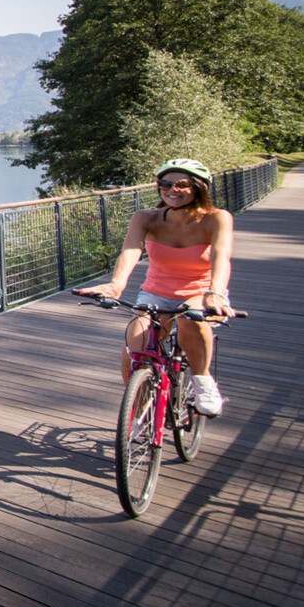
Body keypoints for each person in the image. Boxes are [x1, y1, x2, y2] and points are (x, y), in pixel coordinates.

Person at [77, 158, 234, 416]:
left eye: (181, 184)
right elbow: (130, 251)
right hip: (156, 292)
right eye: (165, 184)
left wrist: (215, 293)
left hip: (200, 292)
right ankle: (138, 417)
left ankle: (203, 381)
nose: (172, 190)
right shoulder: (146, 218)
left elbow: (221, 257)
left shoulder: (217, 218)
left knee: (189, 319)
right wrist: (116, 285)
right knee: (135, 347)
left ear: (199, 187)